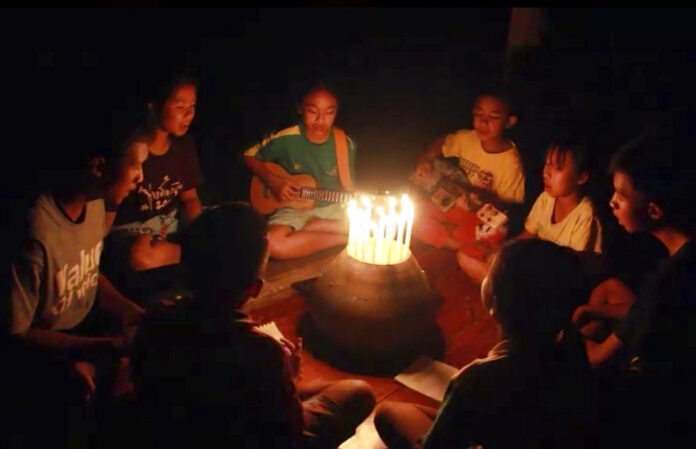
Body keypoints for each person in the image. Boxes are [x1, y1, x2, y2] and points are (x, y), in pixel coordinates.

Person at [131, 202, 375, 448]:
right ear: (255, 288)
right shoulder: (260, 351)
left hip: (174, 431)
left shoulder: (156, 319)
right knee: (357, 392)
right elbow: (288, 434)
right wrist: (288, 379)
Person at [2, 86, 149, 447]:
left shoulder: (95, 203)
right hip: (38, 356)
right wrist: (99, 350)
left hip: (83, 331)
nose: (140, 176)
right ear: (98, 166)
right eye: (135, 164)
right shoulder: (35, 231)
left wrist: (132, 313)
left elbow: (86, 271)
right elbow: (16, 333)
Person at [374, 239, 597, 449]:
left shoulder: (476, 380)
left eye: (489, 273)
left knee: (389, 412)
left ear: (494, 301)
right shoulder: (571, 352)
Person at [571, 133, 696, 447]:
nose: (611, 202)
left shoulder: (665, 284)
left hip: (658, 394)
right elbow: (640, 311)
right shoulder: (683, 253)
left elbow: (597, 358)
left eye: (621, 196)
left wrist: (568, 331)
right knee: (610, 288)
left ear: (653, 211)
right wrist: (594, 310)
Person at [103, 73, 203, 301]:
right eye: (180, 107)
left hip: (168, 236)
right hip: (131, 236)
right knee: (140, 255)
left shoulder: (184, 146)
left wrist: (202, 229)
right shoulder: (131, 151)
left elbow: (190, 198)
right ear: (154, 107)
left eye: (192, 106)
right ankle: (196, 259)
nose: (189, 114)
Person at [457, 139, 603, 284]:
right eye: (547, 164)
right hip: (536, 269)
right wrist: (501, 252)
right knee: (466, 256)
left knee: (500, 279)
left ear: (582, 177)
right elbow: (527, 235)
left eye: (558, 168)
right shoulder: (547, 198)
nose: (546, 173)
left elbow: (570, 272)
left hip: (557, 282)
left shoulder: (586, 216)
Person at [244, 84, 356, 259]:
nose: (320, 119)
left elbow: (349, 188)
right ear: (300, 108)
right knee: (273, 244)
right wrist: (274, 181)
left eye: (329, 112)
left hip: (333, 210)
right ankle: (345, 240)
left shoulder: (344, 143)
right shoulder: (286, 137)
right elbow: (249, 156)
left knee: (378, 225)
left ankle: (320, 227)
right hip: (293, 208)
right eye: (313, 111)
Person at [411, 86, 526, 252]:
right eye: (479, 114)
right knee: (414, 212)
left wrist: (477, 203)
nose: (483, 122)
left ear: (509, 122)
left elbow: (508, 209)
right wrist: (426, 160)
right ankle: (459, 244)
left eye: (493, 117)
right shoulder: (468, 138)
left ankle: (453, 240)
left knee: (495, 233)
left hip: (482, 216)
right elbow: (443, 142)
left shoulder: (511, 163)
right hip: (458, 204)